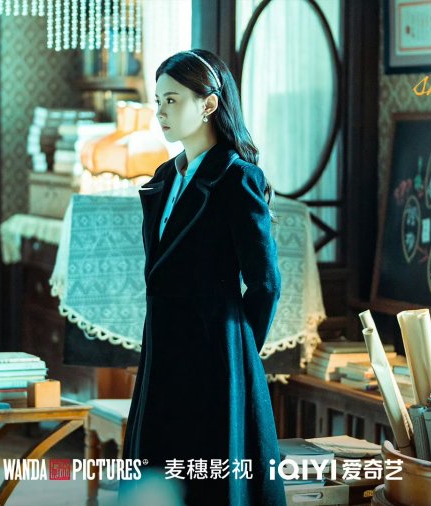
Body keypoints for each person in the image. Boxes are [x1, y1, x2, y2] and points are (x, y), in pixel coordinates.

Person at [119, 49, 285, 506]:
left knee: (209, 482)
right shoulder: (164, 178)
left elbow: (266, 283)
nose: (160, 112)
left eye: (172, 100)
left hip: (216, 355)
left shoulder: (237, 178)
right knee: (159, 474)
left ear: (209, 104)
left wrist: (236, 348)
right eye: (157, 101)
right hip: (161, 351)